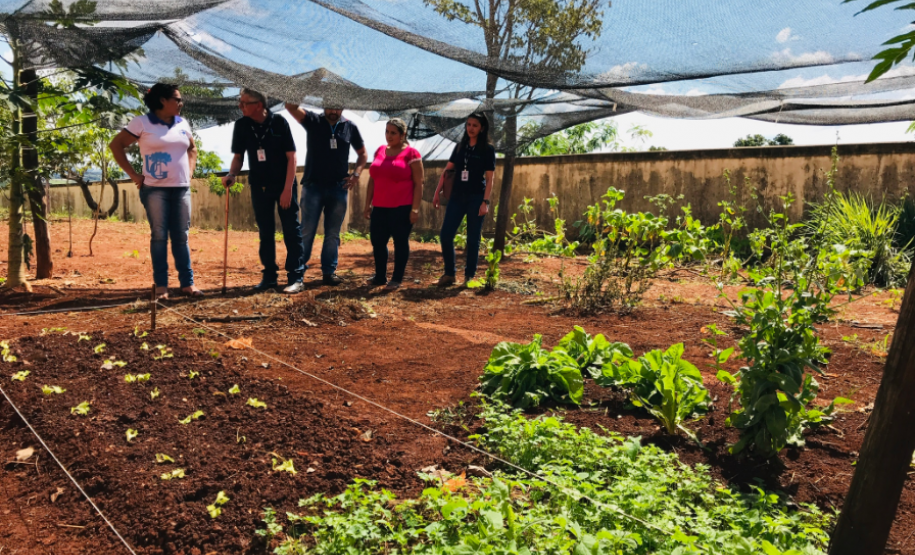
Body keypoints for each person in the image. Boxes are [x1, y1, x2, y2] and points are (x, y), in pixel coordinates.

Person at [109, 83, 202, 300]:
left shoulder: (182, 123)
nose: (181, 103)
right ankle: (161, 287)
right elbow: (116, 145)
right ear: (162, 100)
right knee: (159, 236)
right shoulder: (142, 122)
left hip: (181, 190)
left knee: (181, 236)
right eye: (177, 99)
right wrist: (134, 175)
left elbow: (192, 148)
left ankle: (187, 284)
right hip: (154, 191)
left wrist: (189, 172)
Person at [223, 88, 304, 293]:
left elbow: (291, 157)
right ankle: (269, 277)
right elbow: (238, 157)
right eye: (239, 103)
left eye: (244, 103)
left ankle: (296, 277)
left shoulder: (279, 123)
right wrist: (232, 174)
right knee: (265, 232)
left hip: (283, 185)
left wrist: (287, 189)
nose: (240, 106)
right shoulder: (241, 125)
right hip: (259, 186)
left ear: (258, 105)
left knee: (291, 231)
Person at [283, 98, 367, 286]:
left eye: (338, 106)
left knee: (333, 234)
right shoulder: (313, 120)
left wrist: (356, 174)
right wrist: (313, 80)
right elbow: (290, 106)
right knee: (306, 231)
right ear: (323, 105)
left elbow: (363, 154)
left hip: (339, 189)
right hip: (313, 187)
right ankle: (298, 275)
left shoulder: (349, 127)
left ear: (343, 107)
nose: (334, 110)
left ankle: (329, 273)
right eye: (331, 105)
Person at [432, 113, 496, 286]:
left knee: (473, 239)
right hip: (457, 197)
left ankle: (469, 276)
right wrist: (437, 192)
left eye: (475, 125)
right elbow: (447, 171)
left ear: (482, 128)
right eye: (468, 124)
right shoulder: (460, 147)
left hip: (477, 198)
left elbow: (490, 179)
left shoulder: (487, 150)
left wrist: (485, 202)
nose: (471, 128)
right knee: (445, 235)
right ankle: (449, 274)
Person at [362, 118, 423, 289]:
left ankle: (396, 278)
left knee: (400, 241)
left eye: (393, 133)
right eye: (387, 132)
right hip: (379, 207)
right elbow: (373, 180)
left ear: (403, 135)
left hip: (402, 207)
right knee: (377, 242)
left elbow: (419, 183)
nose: (389, 136)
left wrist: (415, 209)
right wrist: (368, 204)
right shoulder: (380, 150)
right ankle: (380, 277)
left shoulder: (412, 154)